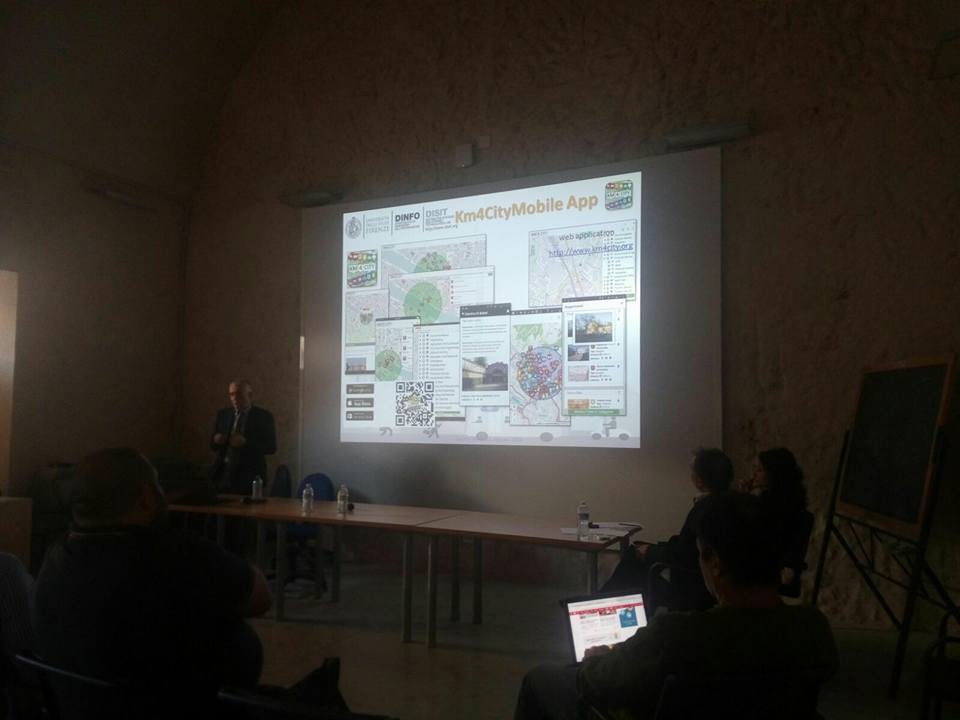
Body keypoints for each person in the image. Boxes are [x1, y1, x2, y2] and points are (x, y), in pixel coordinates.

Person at [514, 493, 838, 720]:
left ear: (715, 564)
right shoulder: (812, 628)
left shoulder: (675, 635)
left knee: (540, 678)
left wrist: (595, 661)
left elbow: (599, 685)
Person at [33, 448, 272, 715]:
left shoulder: (56, 556)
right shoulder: (178, 554)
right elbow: (261, 597)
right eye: (158, 485)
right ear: (147, 496)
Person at [601, 448, 733, 594]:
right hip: (703, 576)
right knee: (637, 549)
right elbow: (688, 546)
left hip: (689, 583)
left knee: (633, 559)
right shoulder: (731, 503)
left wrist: (650, 551)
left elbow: (683, 556)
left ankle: (601, 599)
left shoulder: (705, 509)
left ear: (699, 481)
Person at [210, 380, 277, 494]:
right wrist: (216, 440)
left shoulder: (263, 416)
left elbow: (271, 447)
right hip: (223, 474)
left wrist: (246, 443)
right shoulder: (223, 415)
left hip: (250, 476)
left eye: (239, 394)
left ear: (250, 395)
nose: (234, 398)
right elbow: (212, 446)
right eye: (231, 394)